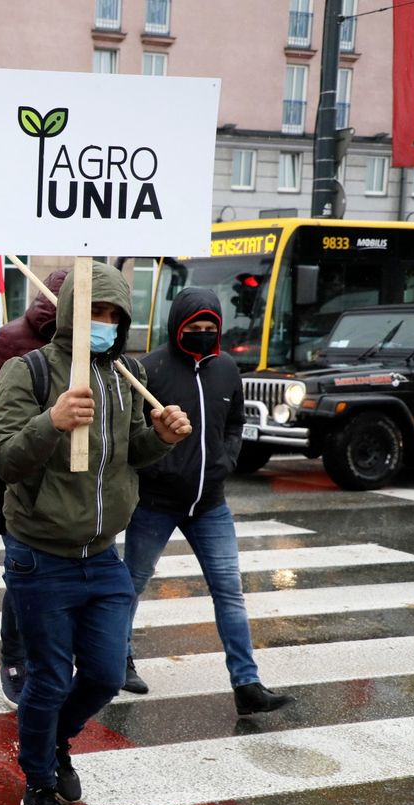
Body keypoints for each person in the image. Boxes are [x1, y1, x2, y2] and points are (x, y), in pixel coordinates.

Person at [0, 262, 191, 805]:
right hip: (41, 555)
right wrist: (51, 423)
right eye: (94, 312)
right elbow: (5, 460)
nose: (103, 324)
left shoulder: (123, 374)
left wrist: (164, 438)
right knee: (48, 677)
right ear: (71, 312)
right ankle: (38, 787)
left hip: (103, 555)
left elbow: (128, 454)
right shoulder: (24, 371)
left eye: (113, 316)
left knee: (104, 672)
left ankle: (55, 741)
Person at [123, 288, 296, 715]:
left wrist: (226, 459)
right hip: (156, 502)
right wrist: (156, 469)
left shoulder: (226, 369)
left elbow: (235, 420)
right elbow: (131, 435)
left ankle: (247, 684)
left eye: (209, 329)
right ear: (177, 326)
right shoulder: (150, 369)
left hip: (211, 504)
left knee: (229, 592)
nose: (201, 335)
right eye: (193, 328)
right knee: (130, 586)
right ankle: (118, 662)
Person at [0, 270, 64, 709]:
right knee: (23, 572)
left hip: (70, 482)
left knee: (68, 573)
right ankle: (14, 658)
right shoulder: (11, 339)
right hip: (18, 479)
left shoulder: (95, 344)